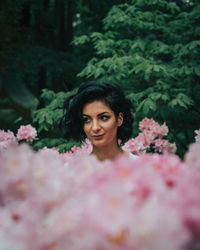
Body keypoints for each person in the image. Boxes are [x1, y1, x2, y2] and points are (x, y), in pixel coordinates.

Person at [63, 81, 136, 161]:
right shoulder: (73, 170)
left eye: (103, 118)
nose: (95, 127)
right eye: (86, 119)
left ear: (119, 119)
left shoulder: (140, 166)